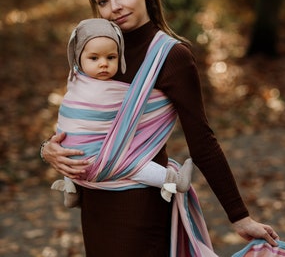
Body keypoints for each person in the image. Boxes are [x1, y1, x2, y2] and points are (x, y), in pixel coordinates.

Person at [40, 0, 280, 256]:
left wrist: (239, 216)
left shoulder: (172, 56)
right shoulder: (93, 48)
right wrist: (49, 148)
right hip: (94, 201)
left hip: (139, 204)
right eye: (103, 1)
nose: (114, 7)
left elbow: (202, 141)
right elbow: (82, 117)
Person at [51, 18, 193, 208]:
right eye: (94, 58)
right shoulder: (109, 91)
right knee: (133, 165)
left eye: (111, 57)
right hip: (92, 159)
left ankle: (71, 189)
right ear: (78, 58)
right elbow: (137, 101)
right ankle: (173, 180)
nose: (103, 64)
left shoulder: (74, 82)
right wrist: (163, 100)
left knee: (71, 145)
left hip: (70, 160)